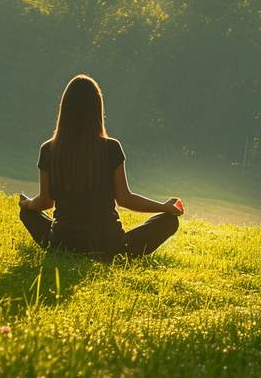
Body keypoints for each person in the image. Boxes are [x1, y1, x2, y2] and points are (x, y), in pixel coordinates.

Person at [19, 74, 183, 260]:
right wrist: (164, 207)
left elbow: (45, 202)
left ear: (64, 110)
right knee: (169, 221)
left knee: (27, 213)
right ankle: (116, 253)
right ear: (97, 109)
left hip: (62, 243)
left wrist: (27, 204)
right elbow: (125, 199)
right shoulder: (111, 147)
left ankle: (60, 243)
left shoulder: (49, 149)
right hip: (110, 246)